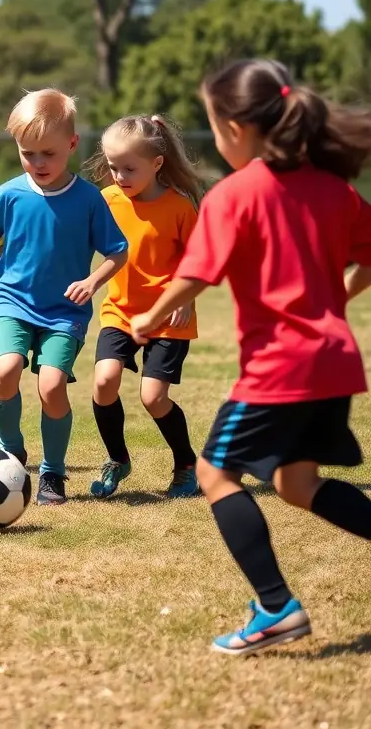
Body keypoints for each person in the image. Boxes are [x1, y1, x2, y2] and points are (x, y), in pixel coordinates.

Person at [131, 58, 371, 655]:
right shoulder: (333, 187)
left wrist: (150, 317)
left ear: (236, 129)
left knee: (213, 472)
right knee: (296, 482)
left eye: (214, 127)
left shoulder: (236, 194)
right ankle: (275, 605)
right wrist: (335, 298)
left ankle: (274, 607)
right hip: (334, 363)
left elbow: (196, 274)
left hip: (282, 368)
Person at [0, 89, 128, 505]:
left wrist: (92, 282)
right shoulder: (9, 193)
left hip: (63, 312)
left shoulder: (89, 199)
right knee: (6, 371)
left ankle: (53, 472)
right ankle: (11, 450)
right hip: (12, 301)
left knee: (52, 386)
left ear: (72, 144)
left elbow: (118, 251)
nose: (37, 163)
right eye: (27, 153)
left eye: (48, 154)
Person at [86, 115, 204, 500]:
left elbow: (201, 260)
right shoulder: (106, 201)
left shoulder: (180, 208)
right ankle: (118, 459)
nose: (119, 175)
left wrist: (184, 299)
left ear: (156, 164)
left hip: (169, 317)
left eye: (129, 168)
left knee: (153, 398)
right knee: (104, 382)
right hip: (119, 312)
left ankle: (186, 465)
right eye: (113, 166)